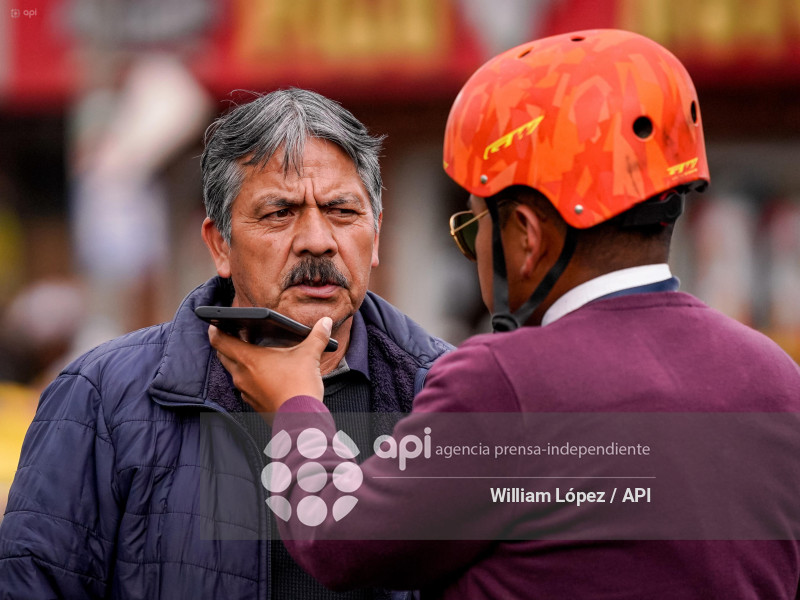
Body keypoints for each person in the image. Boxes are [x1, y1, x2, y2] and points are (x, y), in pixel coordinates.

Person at [208, 30, 800, 598]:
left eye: (474, 227)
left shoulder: (506, 382)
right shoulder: (775, 377)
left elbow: (336, 539)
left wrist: (292, 405)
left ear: (525, 235)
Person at [0, 88, 451, 599]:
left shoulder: (445, 393)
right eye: (279, 213)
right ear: (220, 245)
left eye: (342, 211)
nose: (318, 240)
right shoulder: (101, 398)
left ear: (377, 233)